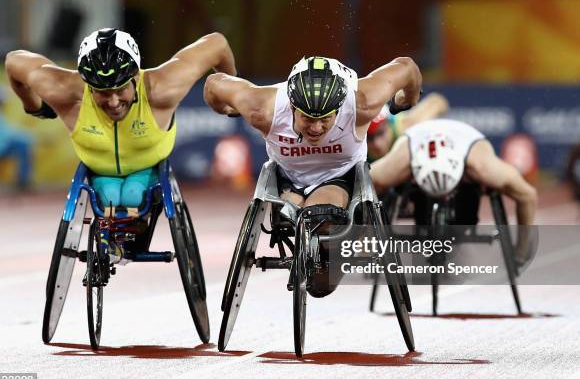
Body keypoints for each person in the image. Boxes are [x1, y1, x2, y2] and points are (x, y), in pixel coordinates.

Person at [204, 55, 422, 296]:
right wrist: (226, 108)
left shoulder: (363, 102)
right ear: (292, 108)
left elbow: (407, 67)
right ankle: (313, 232)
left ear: (339, 109)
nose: (316, 128)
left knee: (320, 278)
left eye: (325, 119)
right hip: (287, 178)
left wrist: (406, 99)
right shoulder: (262, 108)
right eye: (307, 118)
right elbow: (214, 84)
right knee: (298, 215)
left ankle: (340, 238)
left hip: (340, 177)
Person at [5, 28, 236, 215]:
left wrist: (231, 95)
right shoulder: (63, 90)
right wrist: (33, 105)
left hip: (148, 167)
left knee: (133, 195)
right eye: (102, 92)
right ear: (87, 85)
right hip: (100, 171)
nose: (114, 102)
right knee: (113, 197)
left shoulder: (162, 87)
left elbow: (217, 43)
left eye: (120, 89)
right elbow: (13, 61)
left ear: (134, 76)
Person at [370, 118, 538, 265]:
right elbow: (360, 190)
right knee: (373, 187)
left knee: (466, 214)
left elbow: (528, 195)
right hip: (415, 139)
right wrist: (366, 239)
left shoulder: (482, 166)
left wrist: (521, 252)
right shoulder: (395, 167)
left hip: (467, 139)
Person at [367, 92, 449, 161]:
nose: (377, 144)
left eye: (381, 133)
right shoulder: (355, 145)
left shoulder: (405, 126)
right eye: (369, 137)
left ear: (389, 125)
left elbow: (437, 101)